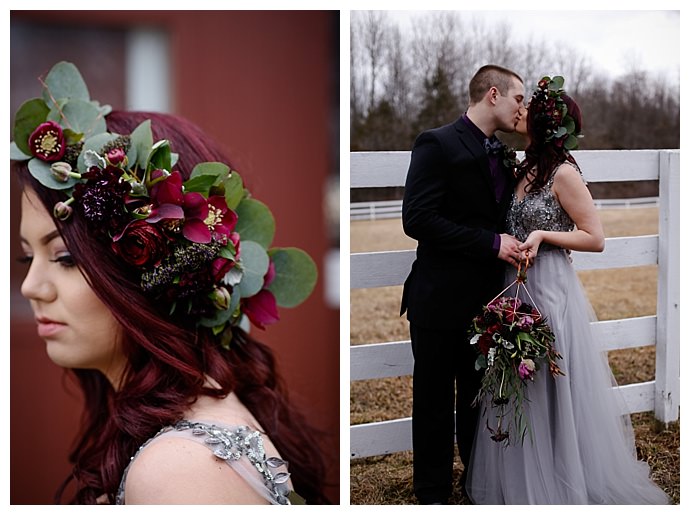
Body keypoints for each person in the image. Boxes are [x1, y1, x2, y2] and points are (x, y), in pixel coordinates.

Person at [12, 61, 328, 505]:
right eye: (28, 256)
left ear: (158, 270)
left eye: (64, 258)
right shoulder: (174, 440)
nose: (31, 286)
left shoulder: (178, 471)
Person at [465, 76, 670, 504]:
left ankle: (563, 475)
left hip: (551, 287)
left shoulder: (564, 173)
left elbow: (595, 237)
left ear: (545, 124)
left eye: (528, 108)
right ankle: (521, 477)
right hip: (516, 287)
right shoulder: (522, 168)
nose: (519, 111)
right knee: (522, 381)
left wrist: (544, 235)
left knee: (550, 378)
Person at [399, 64, 525, 505]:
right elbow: (417, 219)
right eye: (518, 99)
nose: (521, 108)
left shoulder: (502, 152)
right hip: (437, 301)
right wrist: (491, 243)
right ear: (493, 94)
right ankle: (432, 495)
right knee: (433, 404)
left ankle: (477, 487)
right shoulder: (436, 142)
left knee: (477, 401)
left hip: (485, 305)